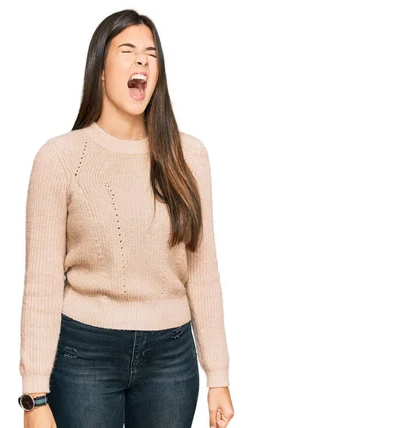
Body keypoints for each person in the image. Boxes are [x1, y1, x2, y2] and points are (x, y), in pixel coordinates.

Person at [18, 9, 234, 428]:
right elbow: (41, 285)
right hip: (84, 355)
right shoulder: (59, 159)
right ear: (100, 69)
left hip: (172, 360)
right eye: (128, 51)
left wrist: (218, 376)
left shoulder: (189, 157)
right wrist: (34, 396)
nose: (142, 62)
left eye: (151, 54)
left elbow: (203, 273)